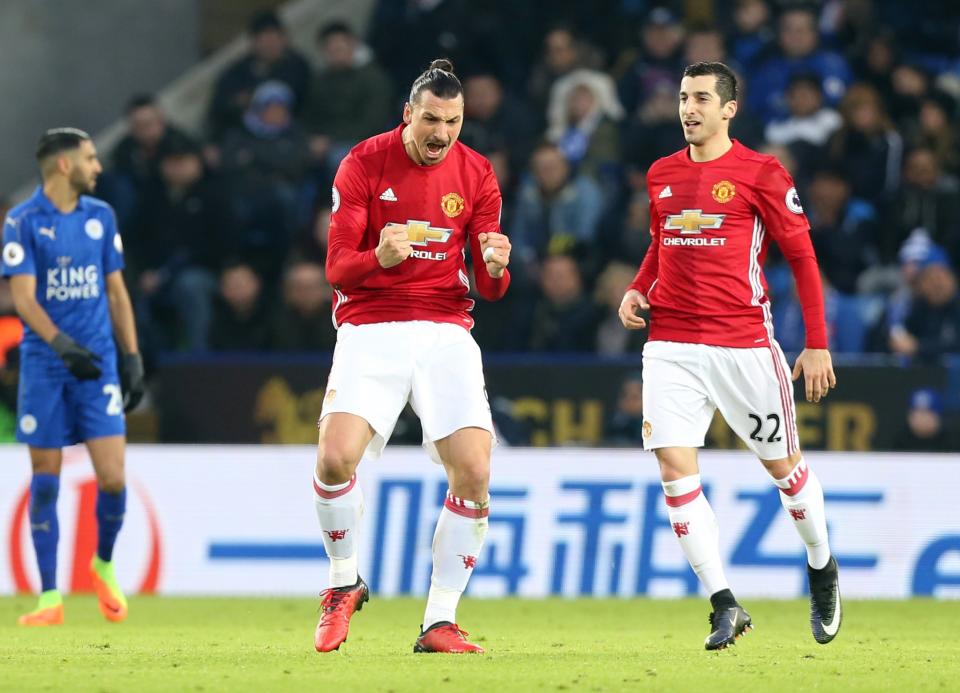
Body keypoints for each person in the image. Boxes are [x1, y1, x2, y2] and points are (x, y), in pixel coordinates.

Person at [618, 63, 841, 650]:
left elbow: (803, 258)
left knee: (784, 470)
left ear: (729, 109)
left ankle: (821, 564)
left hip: (742, 343)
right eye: (684, 98)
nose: (688, 108)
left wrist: (815, 342)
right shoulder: (661, 173)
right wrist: (639, 287)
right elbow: (661, 244)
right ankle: (724, 602)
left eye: (701, 99)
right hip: (670, 344)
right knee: (673, 470)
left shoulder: (761, 173)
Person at [312, 59, 511, 655]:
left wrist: (497, 270)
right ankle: (343, 583)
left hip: (446, 329)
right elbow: (336, 266)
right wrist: (380, 257)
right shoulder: (363, 162)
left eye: (452, 122)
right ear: (408, 113)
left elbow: (490, 286)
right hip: (371, 325)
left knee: (474, 472)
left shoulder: (477, 173)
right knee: (333, 459)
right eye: (431, 119)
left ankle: (440, 622)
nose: (441, 133)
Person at [2, 128, 145, 626]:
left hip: (99, 364)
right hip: (45, 367)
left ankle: (102, 564)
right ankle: (48, 599)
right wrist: (62, 346)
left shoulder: (100, 217)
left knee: (113, 478)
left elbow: (117, 292)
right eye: (89, 158)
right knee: (45, 481)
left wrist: (130, 357)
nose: (97, 166)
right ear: (64, 166)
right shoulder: (21, 222)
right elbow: (23, 298)